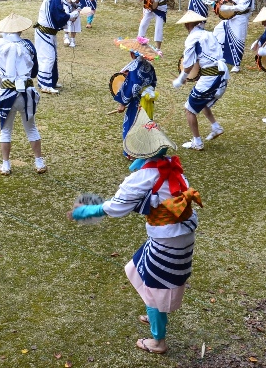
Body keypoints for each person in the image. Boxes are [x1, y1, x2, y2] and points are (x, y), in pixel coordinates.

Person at [70, 112, 201, 355]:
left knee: (154, 287)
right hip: (176, 234)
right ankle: (154, 314)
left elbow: (117, 207)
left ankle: (158, 341)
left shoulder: (144, 176)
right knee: (137, 266)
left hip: (169, 239)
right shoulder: (172, 166)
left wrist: (89, 210)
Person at [0, 13, 45, 175]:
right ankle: (39, 162)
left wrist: (2, 84)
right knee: (32, 128)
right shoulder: (28, 45)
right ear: (21, 30)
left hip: (7, 93)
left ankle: (6, 165)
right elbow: (34, 70)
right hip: (27, 92)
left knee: (5, 130)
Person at [172, 11, 227, 150]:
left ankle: (197, 142)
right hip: (220, 75)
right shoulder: (208, 34)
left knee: (189, 109)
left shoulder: (192, 38)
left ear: (188, 24)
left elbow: (189, 63)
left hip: (210, 78)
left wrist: (181, 79)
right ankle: (216, 127)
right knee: (202, 102)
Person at [34, 0, 80, 93]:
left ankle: (50, 81)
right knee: (48, 58)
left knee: (52, 57)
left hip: (48, 31)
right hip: (45, 31)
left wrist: (69, 17)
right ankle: (45, 84)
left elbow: (59, 15)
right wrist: (70, 16)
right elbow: (58, 16)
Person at [113, 36, 160, 142]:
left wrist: (122, 103)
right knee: (146, 121)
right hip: (147, 100)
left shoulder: (134, 67)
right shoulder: (149, 66)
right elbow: (154, 82)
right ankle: (145, 147)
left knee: (133, 122)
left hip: (137, 102)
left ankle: (131, 150)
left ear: (132, 54)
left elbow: (132, 86)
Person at [212, 0, 255, 72]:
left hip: (240, 18)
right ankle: (220, 57)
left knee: (238, 39)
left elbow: (243, 6)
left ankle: (236, 64)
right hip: (230, 17)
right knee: (218, 32)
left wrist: (229, 8)